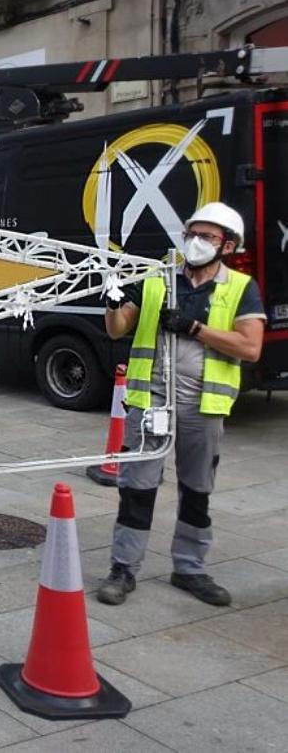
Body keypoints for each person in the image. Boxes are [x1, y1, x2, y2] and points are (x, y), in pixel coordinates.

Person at [97, 202, 265, 608]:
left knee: (196, 489)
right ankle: (123, 569)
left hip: (202, 404)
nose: (195, 242)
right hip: (151, 400)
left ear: (226, 245)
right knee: (136, 487)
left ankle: (190, 568)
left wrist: (195, 328)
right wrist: (111, 300)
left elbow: (251, 347)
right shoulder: (158, 279)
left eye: (207, 237)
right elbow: (119, 327)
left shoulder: (241, 287)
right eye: (192, 234)